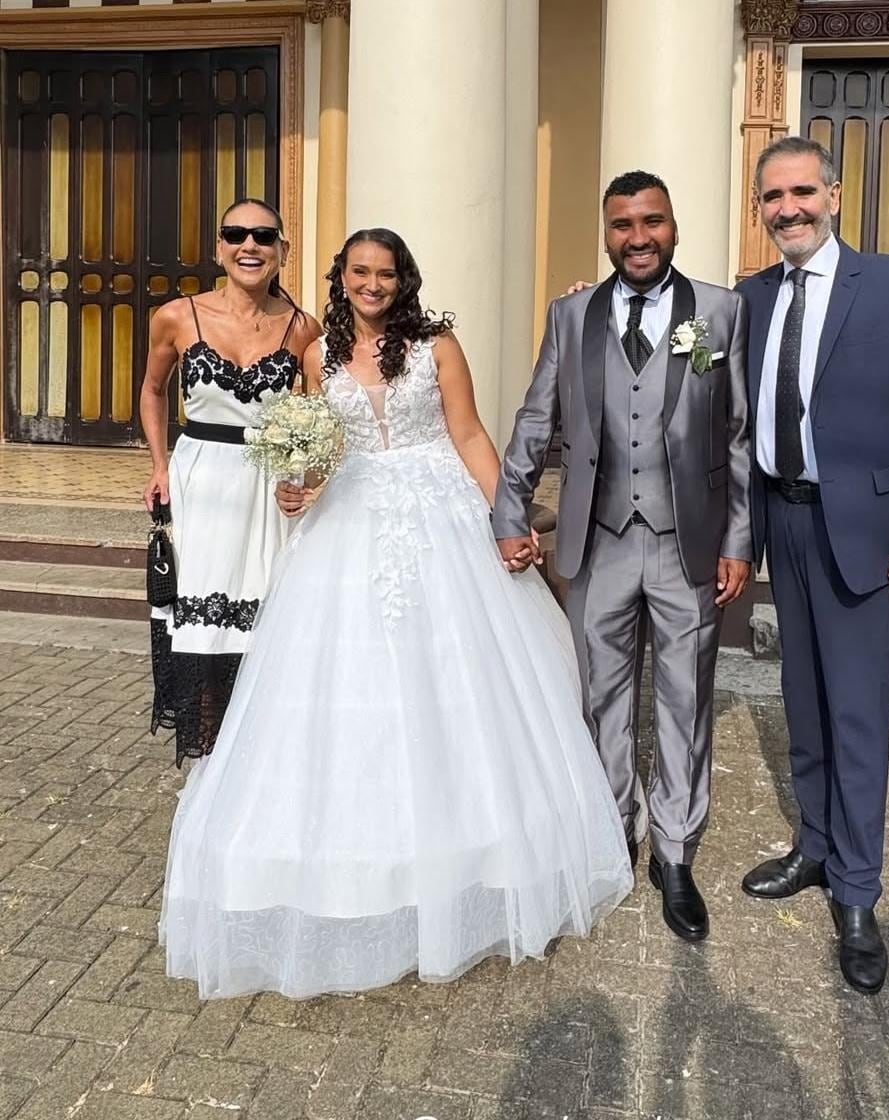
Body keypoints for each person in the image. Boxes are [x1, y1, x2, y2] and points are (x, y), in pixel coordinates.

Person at [158, 228, 632, 999]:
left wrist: (507, 518)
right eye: (359, 272)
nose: (372, 284)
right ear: (341, 278)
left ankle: (473, 857)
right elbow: (320, 448)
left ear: (402, 279)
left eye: (384, 273)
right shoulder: (317, 354)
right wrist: (298, 486)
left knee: (458, 678)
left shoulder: (437, 346)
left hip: (441, 517)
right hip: (346, 522)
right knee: (348, 688)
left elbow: (469, 435)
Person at [493, 171, 753, 943]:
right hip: (598, 539)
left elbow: (738, 433)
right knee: (599, 698)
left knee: (685, 698)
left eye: (652, 222)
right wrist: (509, 511)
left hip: (687, 542)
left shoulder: (719, 312)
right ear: (606, 232)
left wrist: (740, 540)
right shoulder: (570, 314)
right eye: (622, 225)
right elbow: (536, 417)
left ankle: (674, 851)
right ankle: (610, 832)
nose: (638, 238)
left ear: (673, 226)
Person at [735, 137, 889, 994]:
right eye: (772, 196)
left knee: (859, 718)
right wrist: (593, 304)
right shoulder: (751, 297)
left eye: (802, 192)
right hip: (783, 524)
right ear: (759, 207)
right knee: (804, 703)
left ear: (834, 193)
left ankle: (858, 892)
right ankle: (816, 847)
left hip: (865, 537)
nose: (787, 208)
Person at [140, 199, 321, 767]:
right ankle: (207, 762)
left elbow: (319, 415)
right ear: (218, 247)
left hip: (268, 490)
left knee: (263, 619)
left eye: (263, 236)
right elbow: (152, 391)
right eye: (236, 234)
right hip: (201, 483)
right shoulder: (176, 316)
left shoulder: (303, 329)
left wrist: (304, 476)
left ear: (282, 250)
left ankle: (259, 760)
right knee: (202, 626)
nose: (250, 245)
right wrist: (160, 465)